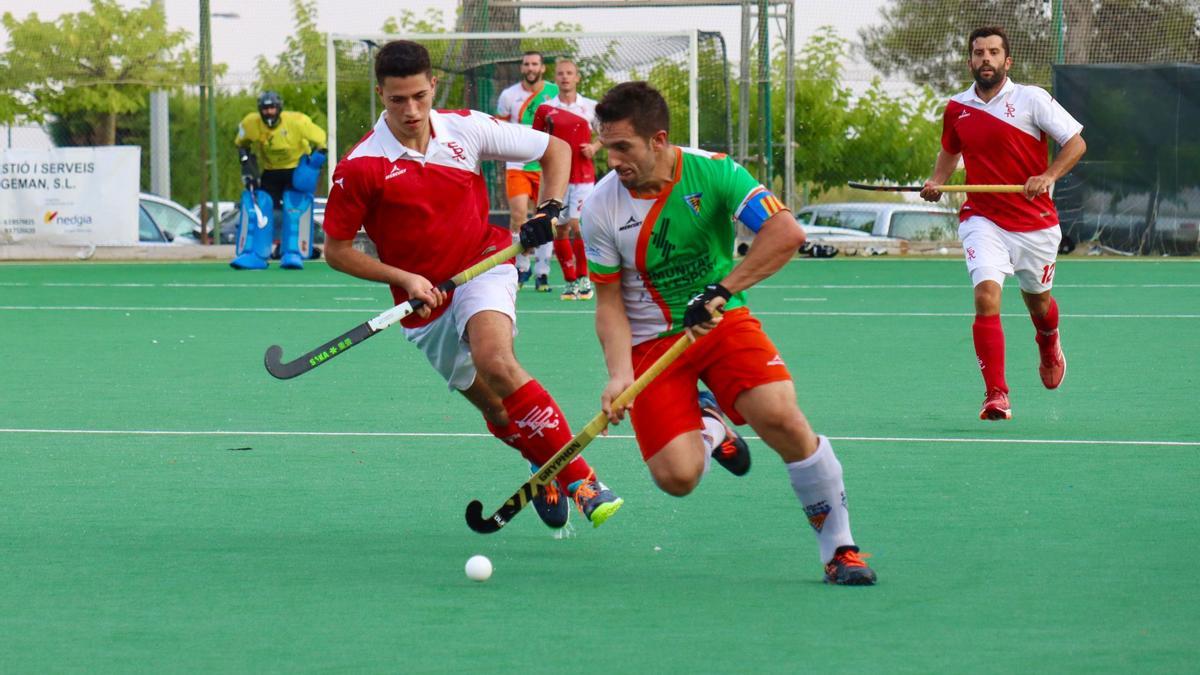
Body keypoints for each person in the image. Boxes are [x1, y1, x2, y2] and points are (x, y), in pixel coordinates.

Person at [580, 81, 877, 585]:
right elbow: (608, 303)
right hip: (653, 344)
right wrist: (617, 375)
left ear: (659, 140)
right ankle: (712, 421)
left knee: (780, 417)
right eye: (605, 147)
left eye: (622, 147)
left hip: (720, 321)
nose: (612, 160)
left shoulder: (714, 172)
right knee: (678, 478)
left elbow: (786, 232)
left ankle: (840, 549)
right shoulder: (600, 208)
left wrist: (723, 288)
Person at [320, 40, 623, 529]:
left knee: (496, 360)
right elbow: (336, 250)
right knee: (500, 413)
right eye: (398, 100)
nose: (412, 110)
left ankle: (581, 479)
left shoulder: (464, 127)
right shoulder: (360, 167)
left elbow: (557, 150)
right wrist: (404, 278)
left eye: (420, 95)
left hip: (486, 261)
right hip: (421, 304)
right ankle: (539, 460)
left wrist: (549, 208)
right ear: (381, 94)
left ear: (432, 85)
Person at [920, 26, 1086, 421]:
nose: (986, 59)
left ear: (1006, 61)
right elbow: (949, 151)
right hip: (983, 219)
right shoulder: (956, 107)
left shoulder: (1032, 99)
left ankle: (1048, 341)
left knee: (1038, 302)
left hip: (1036, 224)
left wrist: (1048, 176)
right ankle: (996, 394)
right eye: (979, 53)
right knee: (985, 297)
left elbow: (1076, 142)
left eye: (994, 52)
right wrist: (938, 182)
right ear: (970, 61)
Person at [232, 91, 328, 270]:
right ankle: (256, 253)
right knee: (261, 206)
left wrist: (313, 164)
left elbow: (322, 141)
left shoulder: (297, 122)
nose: (269, 112)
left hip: (295, 169)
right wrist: (248, 167)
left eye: (272, 108)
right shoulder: (251, 123)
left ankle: (292, 252)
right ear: (260, 110)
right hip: (271, 171)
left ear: (279, 108)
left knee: (294, 207)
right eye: (265, 109)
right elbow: (241, 144)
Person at [532, 59, 599, 301]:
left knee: (578, 226)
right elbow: (536, 140)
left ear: (577, 77)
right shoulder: (546, 108)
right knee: (559, 229)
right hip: (557, 178)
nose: (565, 77)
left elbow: (607, 133)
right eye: (560, 74)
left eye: (569, 73)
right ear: (555, 78)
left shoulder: (590, 107)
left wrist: (595, 147)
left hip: (583, 177)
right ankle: (570, 281)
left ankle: (584, 277)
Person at [496, 51, 558, 292]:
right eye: (526, 64)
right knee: (519, 215)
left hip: (545, 161)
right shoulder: (508, 95)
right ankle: (522, 267)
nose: (530, 68)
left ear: (542, 68)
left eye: (535, 64)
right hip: (517, 163)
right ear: (522, 68)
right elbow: (499, 127)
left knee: (544, 217)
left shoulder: (553, 93)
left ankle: (543, 272)